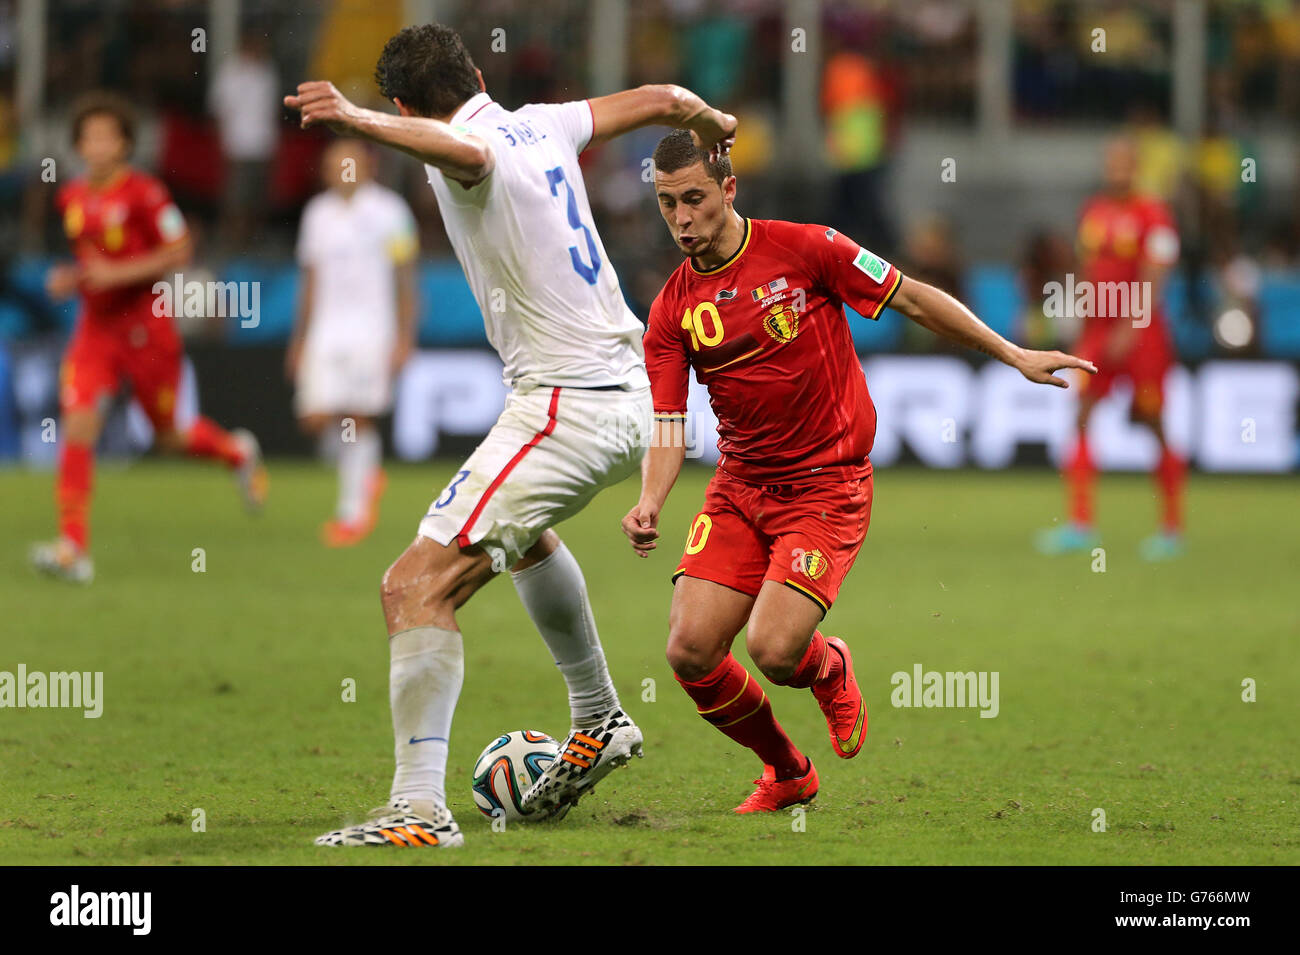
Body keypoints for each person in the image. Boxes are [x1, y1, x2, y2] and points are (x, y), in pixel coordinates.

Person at [284, 23, 736, 847]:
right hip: (630, 387)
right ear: (481, 72)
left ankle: (419, 810)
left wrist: (356, 121)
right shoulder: (546, 120)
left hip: (569, 403)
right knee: (523, 539)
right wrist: (710, 122)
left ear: (405, 105)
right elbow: (666, 99)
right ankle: (600, 714)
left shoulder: (468, 145)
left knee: (412, 586)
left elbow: (464, 153)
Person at [623, 131, 1094, 812]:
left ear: (729, 189)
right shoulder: (671, 310)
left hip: (826, 486)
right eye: (667, 204)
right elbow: (669, 423)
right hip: (740, 488)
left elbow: (909, 296)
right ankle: (787, 771)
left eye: (694, 198)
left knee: (774, 650)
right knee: (690, 650)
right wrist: (650, 499)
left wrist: (1010, 351)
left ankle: (828, 665)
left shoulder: (809, 247)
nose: (682, 218)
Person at [31, 92, 267, 585]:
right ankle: (73, 548)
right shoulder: (70, 197)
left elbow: (179, 249)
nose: (97, 145)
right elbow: (93, 267)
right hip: (95, 332)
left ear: (124, 145)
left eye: (107, 136)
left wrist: (116, 274)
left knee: (167, 437)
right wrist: (71, 279)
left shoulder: (145, 193)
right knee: (78, 425)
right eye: (89, 136)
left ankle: (236, 453)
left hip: (147, 330)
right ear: (78, 145)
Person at [1035, 137, 1185, 561]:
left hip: (1142, 335)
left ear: (1136, 166)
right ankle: (1081, 524)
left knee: (1152, 420)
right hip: (1099, 333)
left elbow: (1156, 274)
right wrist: (1083, 326)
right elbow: (1087, 271)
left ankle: (1171, 528)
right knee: (1081, 414)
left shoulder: (1153, 215)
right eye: (1112, 162)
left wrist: (1131, 325)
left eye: (1124, 162)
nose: (1117, 169)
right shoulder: (1095, 212)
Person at [286, 138, 418, 546]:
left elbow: (406, 279)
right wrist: (300, 338)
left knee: (356, 418)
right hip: (326, 330)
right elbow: (309, 282)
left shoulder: (391, 211)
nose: (342, 170)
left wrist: (404, 336)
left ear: (368, 166)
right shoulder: (317, 214)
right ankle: (366, 472)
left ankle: (352, 511)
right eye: (334, 164)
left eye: (350, 162)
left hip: (370, 330)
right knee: (314, 416)